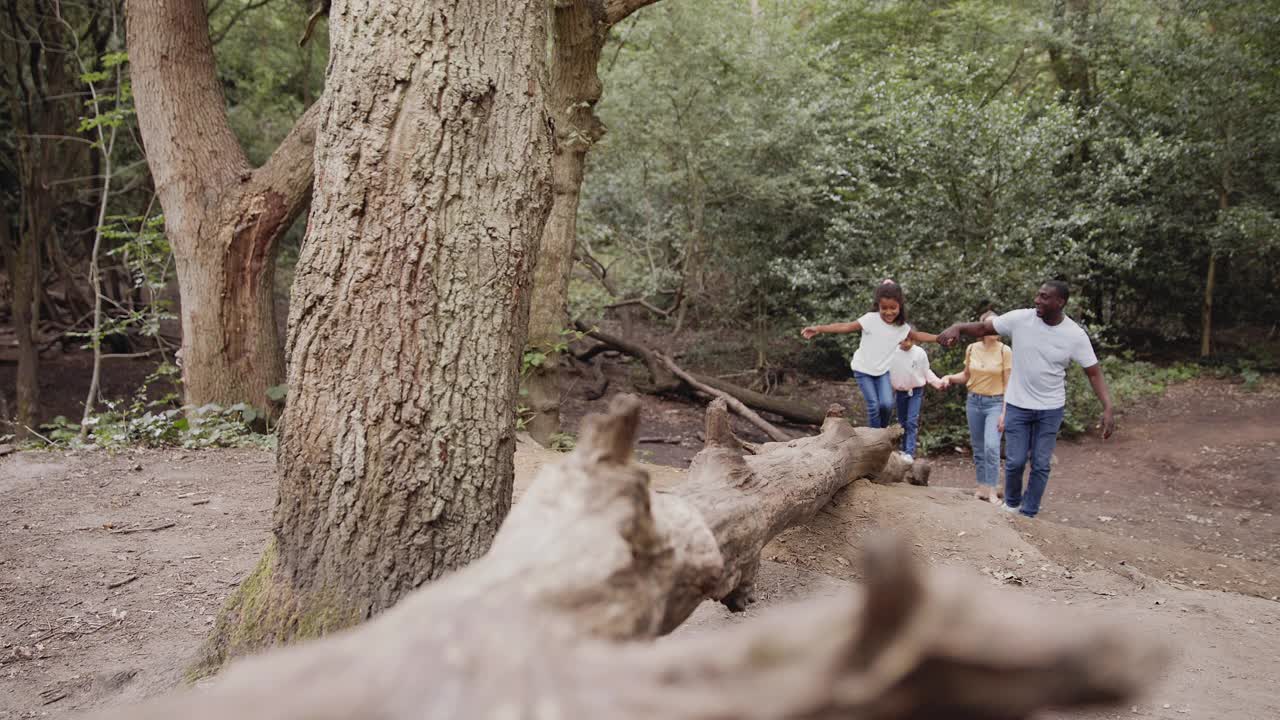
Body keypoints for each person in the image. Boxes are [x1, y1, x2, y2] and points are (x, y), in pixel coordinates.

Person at [938, 281, 1114, 518]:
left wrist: (1107, 406)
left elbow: (1093, 371)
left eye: (1044, 297)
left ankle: (1028, 513)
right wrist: (957, 327)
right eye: (1038, 295)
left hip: (1050, 409)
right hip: (1018, 405)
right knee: (1015, 461)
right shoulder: (1021, 319)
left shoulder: (1074, 335)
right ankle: (1012, 504)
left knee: (1041, 463)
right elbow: (983, 328)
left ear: (1060, 302)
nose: (1037, 300)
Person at [802, 279, 938, 430]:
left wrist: (939, 338)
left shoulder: (902, 327)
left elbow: (919, 336)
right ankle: (874, 436)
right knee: (874, 405)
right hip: (863, 370)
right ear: (878, 306)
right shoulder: (870, 320)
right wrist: (819, 328)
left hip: (882, 372)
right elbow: (846, 326)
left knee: (886, 404)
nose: (888, 312)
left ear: (900, 306)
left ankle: (881, 432)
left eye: (893, 308)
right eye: (884, 308)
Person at [941, 311, 1013, 503]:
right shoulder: (972, 348)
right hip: (974, 402)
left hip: (995, 403)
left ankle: (991, 490)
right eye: (989, 325)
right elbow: (966, 376)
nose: (993, 328)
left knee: (991, 446)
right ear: (981, 328)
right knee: (979, 448)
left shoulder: (1004, 350)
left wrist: (1005, 413)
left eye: (997, 324)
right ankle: (982, 487)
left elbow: (1009, 385)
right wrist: (949, 377)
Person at [888, 336, 947, 461]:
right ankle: (903, 450)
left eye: (910, 340)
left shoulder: (919, 353)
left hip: (915, 391)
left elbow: (926, 371)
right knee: (902, 422)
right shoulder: (892, 353)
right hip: (900, 392)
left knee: (911, 421)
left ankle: (910, 452)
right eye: (904, 339)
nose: (907, 343)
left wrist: (937, 383)